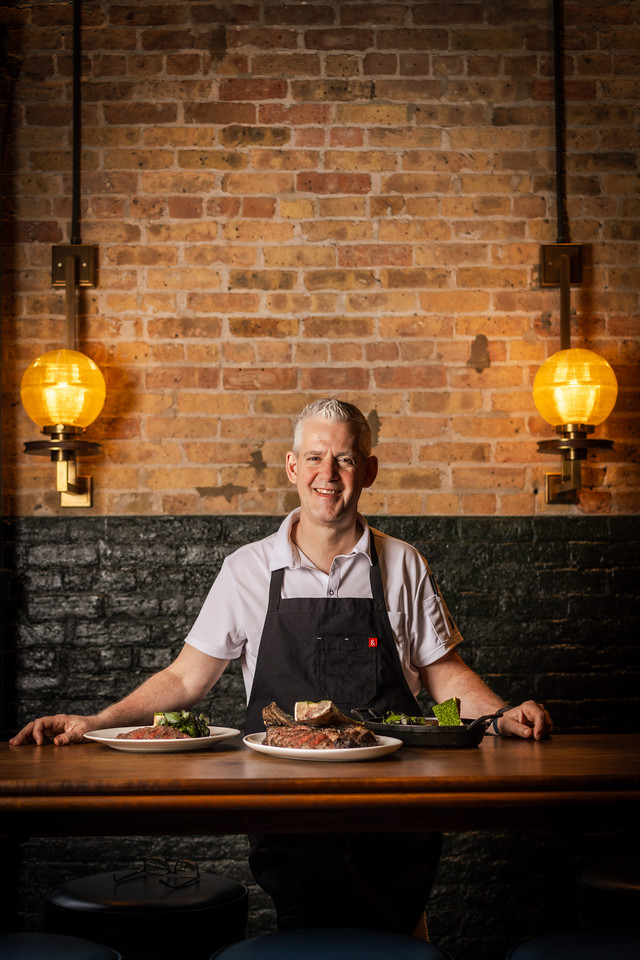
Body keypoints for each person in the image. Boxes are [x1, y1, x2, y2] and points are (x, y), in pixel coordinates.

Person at [11, 398, 552, 935]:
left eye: (343, 459)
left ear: (369, 470)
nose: (329, 474)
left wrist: (500, 715)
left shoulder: (403, 563)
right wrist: (97, 722)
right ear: (293, 467)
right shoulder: (247, 569)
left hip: (393, 804)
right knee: (309, 931)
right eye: (315, 457)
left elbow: (444, 672)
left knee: (397, 932)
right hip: (285, 803)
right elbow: (185, 678)